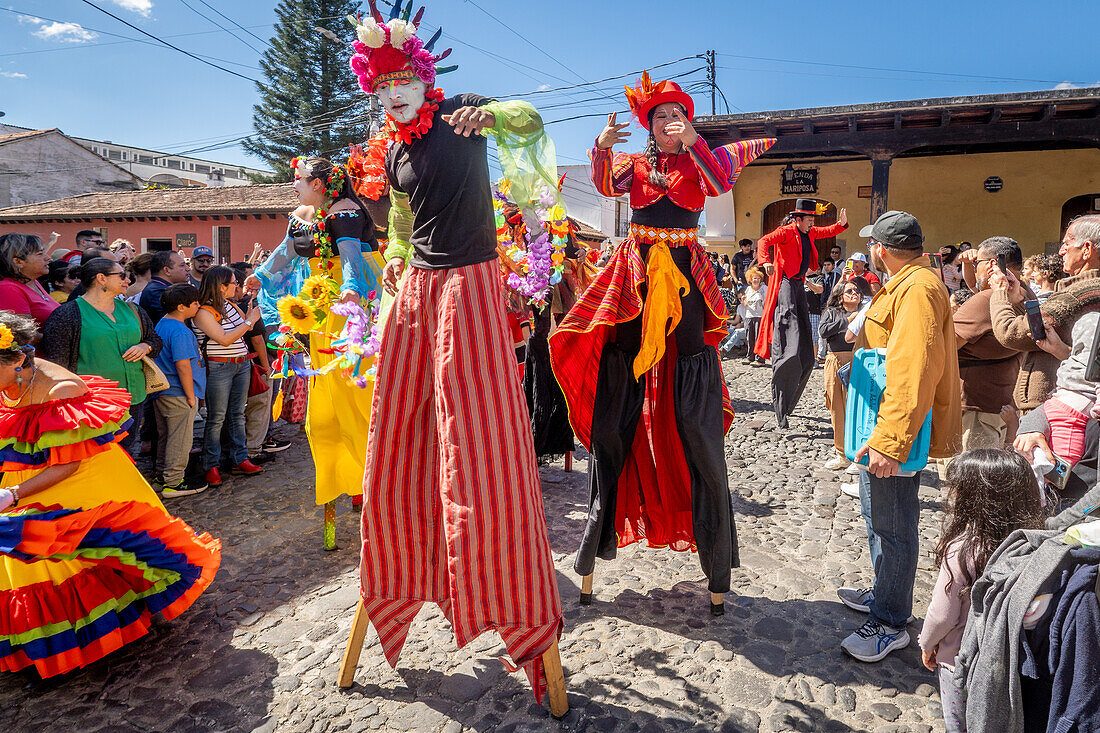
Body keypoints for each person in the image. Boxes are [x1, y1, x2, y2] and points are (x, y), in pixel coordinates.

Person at [347, 5, 572, 694]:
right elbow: (398, 217)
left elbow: (531, 120)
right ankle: (404, 573)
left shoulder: (463, 114)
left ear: (422, 74)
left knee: (480, 442)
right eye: (380, 88)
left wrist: (498, 114)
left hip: (472, 288)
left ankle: (508, 598)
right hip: (418, 293)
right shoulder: (392, 148)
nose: (392, 95)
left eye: (400, 80)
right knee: (402, 437)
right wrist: (390, 255)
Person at [550, 71, 775, 615]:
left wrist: (696, 142)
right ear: (648, 125)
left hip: (683, 274)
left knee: (693, 417)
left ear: (689, 121)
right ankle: (595, 543)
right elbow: (605, 184)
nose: (667, 122)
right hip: (635, 276)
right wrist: (602, 148)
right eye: (658, 117)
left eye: (676, 115)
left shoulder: (704, 162)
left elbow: (720, 185)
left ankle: (715, 559)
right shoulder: (635, 166)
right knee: (613, 416)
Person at [0, 310, 220, 678]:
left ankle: (115, 621)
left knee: (82, 544)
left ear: (19, 358)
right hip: (28, 478)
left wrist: (13, 494)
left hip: (82, 478)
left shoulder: (61, 389)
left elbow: (67, 463)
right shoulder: (10, 381)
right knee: (27, 555)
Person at [836, 210, 962, 662]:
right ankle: (883, 593)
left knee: (893, 525)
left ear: (881, 250)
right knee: (879, 518)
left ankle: (891, 621)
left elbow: (912, 368)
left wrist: (892, 441)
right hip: (883, 420)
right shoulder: (908, 283)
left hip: (894, 426)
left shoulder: (918, 288)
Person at [246, 156, 381, 506]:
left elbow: (351, 255)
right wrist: (259, 275)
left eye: (299, 179)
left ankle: (375, 469)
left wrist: (350, 288)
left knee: (353, 378)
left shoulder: (345, 210)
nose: (293, 185)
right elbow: (286, 251)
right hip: (321, 300)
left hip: (352, 300)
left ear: (318, 184)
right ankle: (350, 475)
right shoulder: (302, 216)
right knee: (329, 382)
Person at [918, 449, 1045, 733]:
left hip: (960, 662)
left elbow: (942, 614)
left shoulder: (963, 549)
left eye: (955, 487)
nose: (948, 492)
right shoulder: (1032, 545)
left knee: (961, 724)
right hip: (1010, 660)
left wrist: (927, 644)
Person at [40, 258, 162, 455]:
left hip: (134, 396)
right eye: (122, 276)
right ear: (101, 279)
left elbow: (155, 339)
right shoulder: (67, 315)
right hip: (92, 403)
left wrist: (145, 346)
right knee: (98, 455)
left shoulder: (133, 309)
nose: (128, 281)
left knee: (125, 452)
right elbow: (57, 365)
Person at [989, 215, 1100, 412]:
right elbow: (1044, 324)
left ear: (1087, 249)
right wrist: (1020, 299)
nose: (1061, 251)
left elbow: (1012, 333)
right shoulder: (1082, 291)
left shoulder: (1080, 293)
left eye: (1067, 243)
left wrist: (999, 293)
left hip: (1054, 407)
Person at [754, 199, 849, 428]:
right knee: (790, 329)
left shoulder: (809, 232)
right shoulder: (786, 231)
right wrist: (765, 262)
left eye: (812, 221)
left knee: (804, 340)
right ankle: (786, 354)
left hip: (797, 283)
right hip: (785, 282)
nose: (812, 224)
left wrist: (842, 225)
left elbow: (828, 231)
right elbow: (763, 241)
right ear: (798, 219)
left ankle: (791, 392)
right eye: (809, 220)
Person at [954, 237, 1028, 451]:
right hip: (1000, 404)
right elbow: (978, 289)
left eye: (978, 263)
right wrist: (969, 265)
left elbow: (944, 345)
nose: (975, 269)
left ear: (992, 265)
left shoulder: (987, 299)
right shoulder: (1022, 293)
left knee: (971, 478)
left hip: (976, 408)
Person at [191, 266, 263, 487]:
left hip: (240, 365)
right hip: (219, 368)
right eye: (233, 283)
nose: (237, 286)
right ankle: (210, 464)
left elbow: (243, 329)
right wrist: (249, 320)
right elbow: (224, 338)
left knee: (237, 414)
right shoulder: (203, 312)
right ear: (221, 286)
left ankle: (239, 459)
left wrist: (248, 315)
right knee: (217, 418)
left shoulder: (230, 305)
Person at [152, 284, 208, 498]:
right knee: (180, 439)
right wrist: (191, 396)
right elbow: (183, 365)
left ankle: (161, 476)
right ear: (182, 306)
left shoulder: (162, 324)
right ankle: (174, 483)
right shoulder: (181, 331)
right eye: (195, 303)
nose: (198, 306)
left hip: (163, 392)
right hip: (179, 392)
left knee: (166, 437)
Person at [820, 276, 873, 474]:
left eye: (857, 291)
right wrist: (847, 321)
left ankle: (858, 453)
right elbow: (823, 331)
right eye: (849, 291)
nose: (854, 294)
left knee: (859, 406)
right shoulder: (832, 312)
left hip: (859, 360)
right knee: (836, 406)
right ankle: (841, 453)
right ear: (840, 296)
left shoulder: (866, 312)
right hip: (835, 360)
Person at [0, 233, 58, 331]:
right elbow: (24, 335)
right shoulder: (9, 289)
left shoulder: (32, 282)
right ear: (18, 262)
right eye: (40, 254)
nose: (48, 258)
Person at [139, 250, 192, 325]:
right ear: (167, 270)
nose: (188, 269)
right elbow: (175, 322)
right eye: (182, 265)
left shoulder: (158, 288)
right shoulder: (157, 292)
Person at [741, 266, 767, 365]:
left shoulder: (764, 288)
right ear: (750, 279)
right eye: (754, 278)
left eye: (758, 278)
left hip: (760, 316)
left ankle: (760, 359)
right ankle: (750, 357)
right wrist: (743, 300)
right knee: (750, 338)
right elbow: (745, 304)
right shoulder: (747, 289)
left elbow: (767, 302)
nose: (757, 280)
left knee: (758, 338)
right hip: (749, 316)